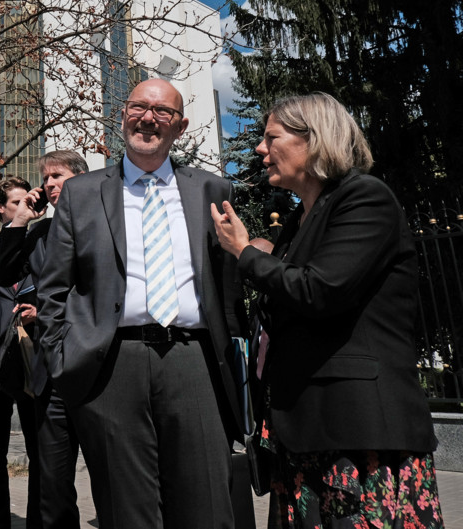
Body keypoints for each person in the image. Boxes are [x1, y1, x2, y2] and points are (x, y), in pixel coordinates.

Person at [210, 92, 444, 527]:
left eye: (271, 137)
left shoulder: (364, 198)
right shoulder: (300, 219)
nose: (260, 149)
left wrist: (245, 252)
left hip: (357, 436)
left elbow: (321, 290)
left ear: (314, 140)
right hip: (303, 434)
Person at [37, 78, 250, 528]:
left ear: (181, 127)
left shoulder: (213, 190)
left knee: (208, 507)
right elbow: (54, 289)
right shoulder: (82, 193)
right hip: (112, 365)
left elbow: (228, 292)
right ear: (123, 114)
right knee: (126, 512)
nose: (148, 118)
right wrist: (64, 359)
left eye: (163, 112)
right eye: (138, 107)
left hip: (195, 362)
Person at [0, 150, 87, 529]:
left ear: (80, 179)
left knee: (112, 473)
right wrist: (21, 217)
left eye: (57, 176)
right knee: (53, 481)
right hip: (51, 373)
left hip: (99, 370)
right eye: (45, 178)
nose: (48, 184)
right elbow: (4, 272)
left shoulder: (104, 222)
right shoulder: (39, 234)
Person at [0, 176, 41, 529]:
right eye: (16, 203)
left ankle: (37, 521)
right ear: (2, 208)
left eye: (26, 201)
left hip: (35, 364)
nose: (24, 208)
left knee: (40, 454)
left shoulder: (42, 246)